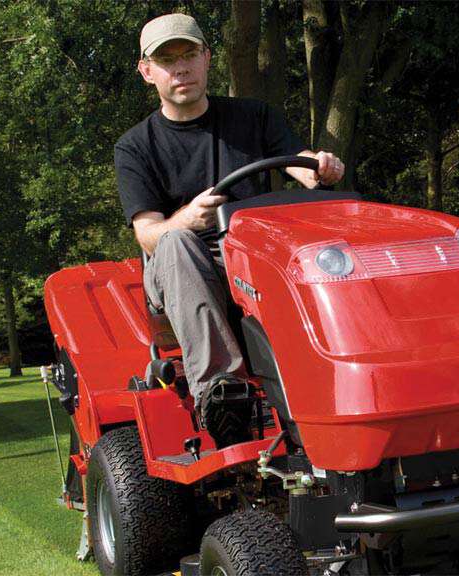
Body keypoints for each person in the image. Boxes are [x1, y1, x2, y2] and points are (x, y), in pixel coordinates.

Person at [114, 13, 345, 445]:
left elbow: (305, 170)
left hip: (254, 256)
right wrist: (188, 217)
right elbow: (147, 234)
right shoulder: (135, 146)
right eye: (167, 60)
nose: (180, 68)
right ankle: (222, 394)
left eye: (188, 55)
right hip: (185, 264)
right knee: (177, 240)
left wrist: (324, 167)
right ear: (148, 72)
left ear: (206, 58)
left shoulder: (253, 116)